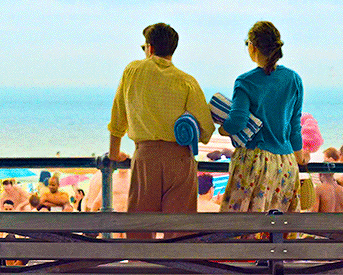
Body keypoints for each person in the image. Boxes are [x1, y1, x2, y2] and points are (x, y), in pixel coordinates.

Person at [108, 23, 214, 239]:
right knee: (179, 232)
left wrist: (114, 153)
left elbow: (118, 117)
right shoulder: (187, 81)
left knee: (140, 229)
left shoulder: (132, 72)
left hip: (146, 158)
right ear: (172, 49)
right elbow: (206, 131)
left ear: (150, 48)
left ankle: (142, 260)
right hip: (179, 159)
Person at [219, 21, 307, 213]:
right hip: (286, 164)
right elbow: (294, 126)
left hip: (254, 163)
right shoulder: (294, 79)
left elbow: (238, 121)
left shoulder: (246, 81)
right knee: (278, 226)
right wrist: (299, 155)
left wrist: (223, 129)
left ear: (252, 47)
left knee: (241, 225)